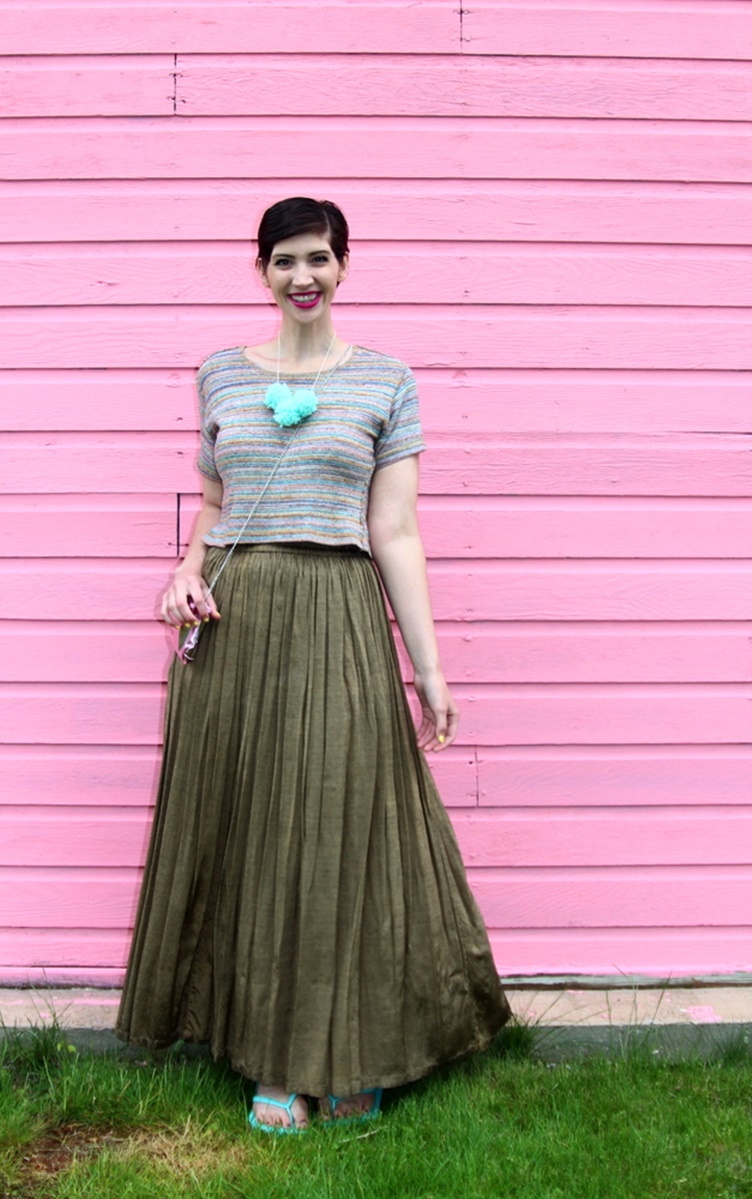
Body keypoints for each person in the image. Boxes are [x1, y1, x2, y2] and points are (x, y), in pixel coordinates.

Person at [115, 197, 510, 1132]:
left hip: (338, 616)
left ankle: (348, 1049)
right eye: (286, 260)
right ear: (261, 271)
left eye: (320, 258)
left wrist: (429, 670)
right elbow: (216, 509)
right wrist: (183, 572)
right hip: (237, 626)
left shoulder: (386, 381)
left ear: (343, 267)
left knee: (338, 829)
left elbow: (395, 530)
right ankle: (273, 1061)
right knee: (250, 832)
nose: (304, 276)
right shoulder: (219, 375)